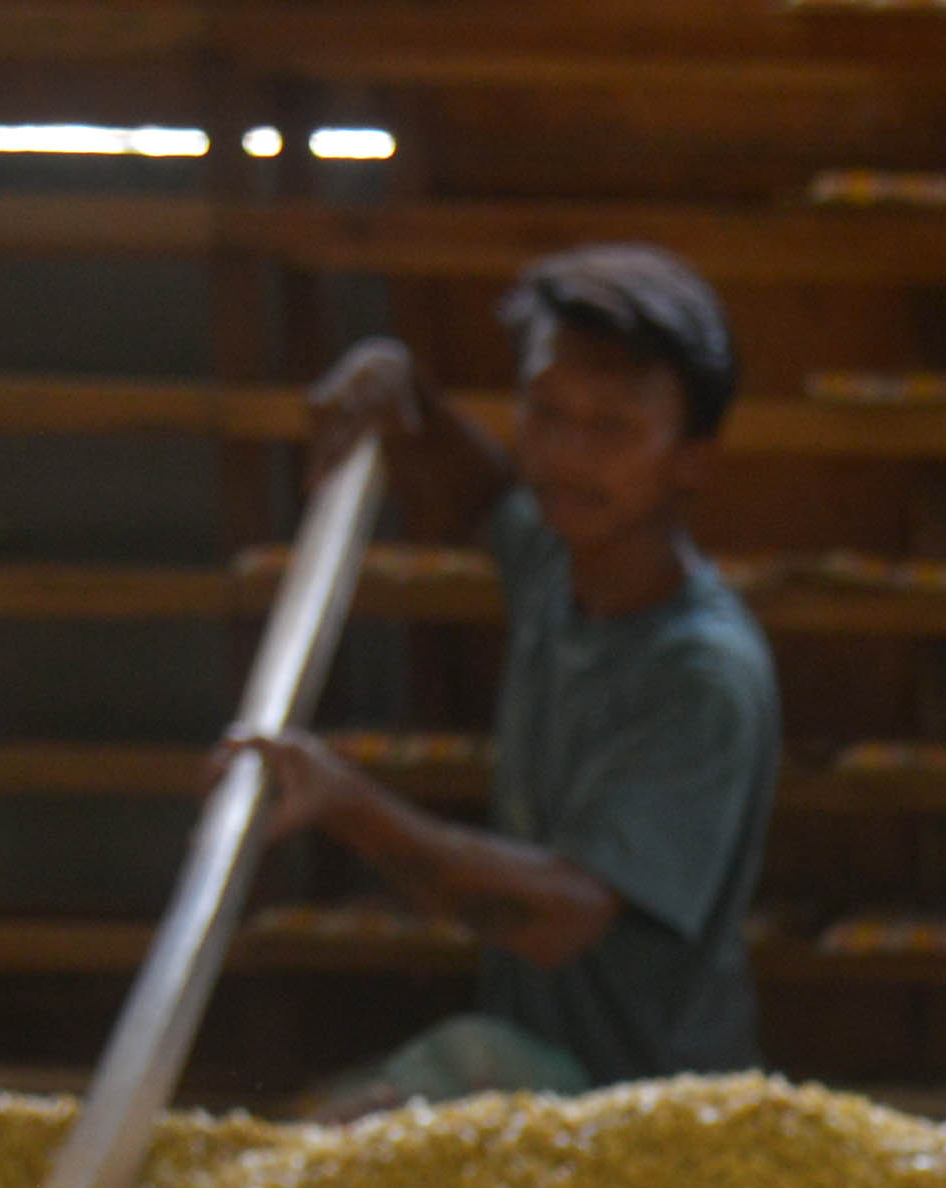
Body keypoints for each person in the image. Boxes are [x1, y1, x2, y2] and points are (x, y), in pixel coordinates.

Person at [241, 246, 780, 1115]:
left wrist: (348, 806)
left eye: (612, 430)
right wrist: (400, 390)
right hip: (539, 1071)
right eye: (546, 413)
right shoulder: (561, 563)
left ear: (693, 458)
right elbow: (480, 488)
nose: (567, 456)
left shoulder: (699, 675)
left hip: (650, 1112)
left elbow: (559, 919)